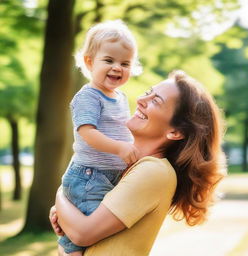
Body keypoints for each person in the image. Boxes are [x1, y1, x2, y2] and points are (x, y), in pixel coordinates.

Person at [50, 70, 225, 256]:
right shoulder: (120, 167)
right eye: (148, 92)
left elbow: (82, 233)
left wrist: (61, 195)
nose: (141, 99)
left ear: (175, 132)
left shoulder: (155, 171)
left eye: (156, 101)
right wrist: (66, 215)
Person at [58, 20, 142, 255]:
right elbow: (87, 132)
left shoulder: (121, 97)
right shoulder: (89, 96)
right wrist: (120, 149)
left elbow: (122, 131)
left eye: (125, 63)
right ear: (89, 61)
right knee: (89, 234)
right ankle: (67, 250)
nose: (117, 67)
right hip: (89, 176)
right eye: (109, 60)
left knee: (103, 230)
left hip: (109, 176)